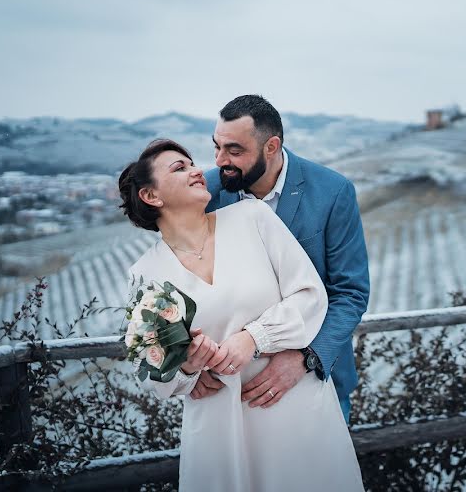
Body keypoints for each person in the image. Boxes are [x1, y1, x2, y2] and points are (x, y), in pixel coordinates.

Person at [119, 139, 364, 491]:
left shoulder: (254, 218)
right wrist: (187, 367)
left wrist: (253, 338)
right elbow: (153, 370)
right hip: (220, 428)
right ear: (151, 196)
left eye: (192, 163)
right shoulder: (145, 275)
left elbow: (310, 295)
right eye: (179, 168)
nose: (196, 171)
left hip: (292, 406)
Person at [193, 95, 370, 423]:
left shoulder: (333, 192)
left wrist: (306, 358)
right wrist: (187, 364)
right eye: (216, 147)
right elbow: (182, 282)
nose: (220, 160)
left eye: (234, 150)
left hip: (315, 378)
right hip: (230, 385)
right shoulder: (206, 193)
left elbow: (350, 293)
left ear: (271, 146)